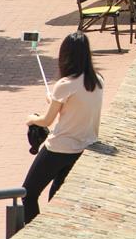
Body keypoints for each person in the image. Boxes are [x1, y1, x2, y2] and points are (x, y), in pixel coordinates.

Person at [22, 32, 104, 223]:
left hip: (58, 149)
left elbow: (46, 121)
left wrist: (32, 119)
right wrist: (54, 101)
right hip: (82, 148)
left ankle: (34, 230)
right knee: (57, 197)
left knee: (29, 193)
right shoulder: (98, 80)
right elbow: (77, 107)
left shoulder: (65, 85)